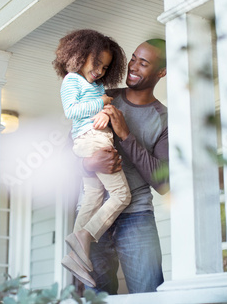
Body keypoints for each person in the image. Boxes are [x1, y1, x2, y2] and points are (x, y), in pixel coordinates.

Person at [72, 39, 170, 294]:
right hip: (93, 212)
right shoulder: (103, 96)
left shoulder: (163, 119)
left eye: (144, 63)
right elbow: (65, 153)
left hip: (136, 216)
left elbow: (163, 184)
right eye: (134, 58)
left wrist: (126, 136)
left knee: (148, 296)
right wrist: (87, 164)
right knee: (94, 298)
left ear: (161, 72)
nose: (134, 66)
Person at [53, 29, 131, 288]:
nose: (99, 71)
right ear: (80, 56)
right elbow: (72, 111)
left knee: (94, 196)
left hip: (97, 137)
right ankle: (84, 236)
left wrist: (107, 110)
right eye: (96, 63)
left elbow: (101, 109)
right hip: (90, 140)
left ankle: (76, 256)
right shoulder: (72, 80)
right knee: (121, 196)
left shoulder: (96, 85)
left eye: (105, 67)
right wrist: (103, 103)